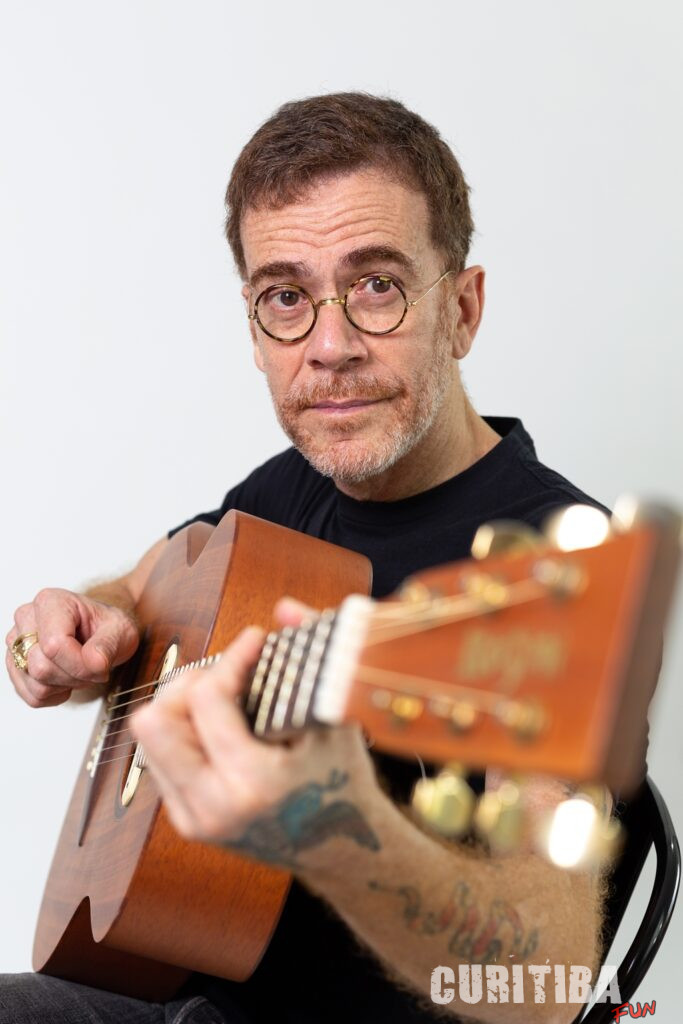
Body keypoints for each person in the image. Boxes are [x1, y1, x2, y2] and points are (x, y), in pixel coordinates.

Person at [4, 93, 615, 1024]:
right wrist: (84, 627)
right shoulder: (292, 490)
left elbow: (546, 980)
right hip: (175, 974)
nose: (329, 348)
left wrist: (339, 831)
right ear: (254, 331)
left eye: (377, 286)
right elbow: (139, 588)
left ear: (461, 309)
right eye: (286, 297)